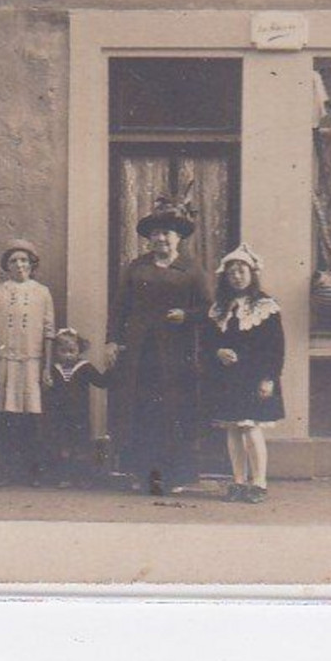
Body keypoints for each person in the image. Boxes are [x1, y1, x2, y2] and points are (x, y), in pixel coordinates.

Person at [104, 194, 213, 497]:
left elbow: (208, 310)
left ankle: (174, 476)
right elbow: (119, 308)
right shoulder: (136, 267)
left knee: (172, 413)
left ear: (178, 238)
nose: (161, 238)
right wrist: (112, 340)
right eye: (155, 233)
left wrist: (186, 315)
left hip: (175, 354)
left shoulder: (191, 270)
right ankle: (141, 475)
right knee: (140, 412)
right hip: (140, 352)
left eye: (167, 233)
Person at [200, 245, 286, 504]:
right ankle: (238, 480)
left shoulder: (265, 306)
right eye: (232, 272)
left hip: (254, 375)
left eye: (242, 270)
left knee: (250, 427)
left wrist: (269, 377)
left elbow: (276, 347)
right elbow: (207, 342)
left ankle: (258, 482)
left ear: (252, 273)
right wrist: (218, 352)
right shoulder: (219, 309)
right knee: (233, 429)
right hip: (228, 377)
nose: (237, 276)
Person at [0, 239, 55, 487]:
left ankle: (33, 471)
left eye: (24, 260)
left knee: (31, 416)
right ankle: (5, 470)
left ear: (32, 264)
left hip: (31, 361)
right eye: (14, 261)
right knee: (5, 415)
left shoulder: (42, 292)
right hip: (4, 361)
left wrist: (46, 367)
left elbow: (48, 331)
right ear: (7, 266)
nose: (19, 265)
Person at [44, 328, 112, 487]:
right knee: (63, 445)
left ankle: (82, 478)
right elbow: (49, 393)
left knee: (80, 446)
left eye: (72, 351)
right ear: (56, 351)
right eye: (63, 351)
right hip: (60, 416)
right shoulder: (53, 369)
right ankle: (64, 477)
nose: (68, 355)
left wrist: (110, 369)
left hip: (79, 415)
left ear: (79, 350)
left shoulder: (84, 367)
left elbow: (101, 382)